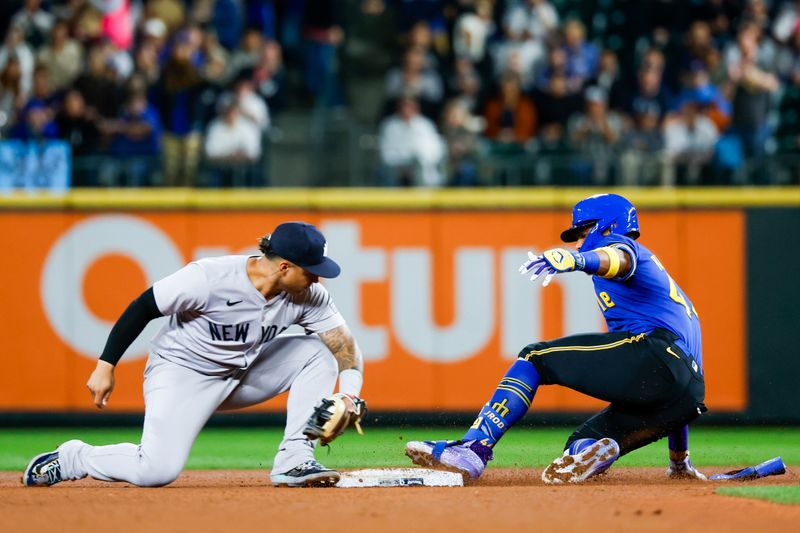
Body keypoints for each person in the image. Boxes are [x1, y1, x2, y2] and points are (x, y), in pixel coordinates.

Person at [23, 222, 366, 488]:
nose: (318, 277)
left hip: (242, 375)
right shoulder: (209, 278)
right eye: (312, 268)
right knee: (155, 471)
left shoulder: (311, 296)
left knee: (319, 352)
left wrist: (349, 395)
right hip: (180, 373)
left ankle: (294, 458)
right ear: (284, 267)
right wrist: (105, 365)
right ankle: (74, 458)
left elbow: (345, 348)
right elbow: (144, 307)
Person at [406, 194, 707, 484]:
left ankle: (473, 448)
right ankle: (595, 452)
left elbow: (618, 258)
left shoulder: (625, 246)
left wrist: (576, 260)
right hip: (686, 396)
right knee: (580, 442)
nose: (578, 240)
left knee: (534, 359)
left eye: (583, 231)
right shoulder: (677, 301)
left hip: (657, 354)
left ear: (609, 225)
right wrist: (679, 460)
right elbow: (683, 383)